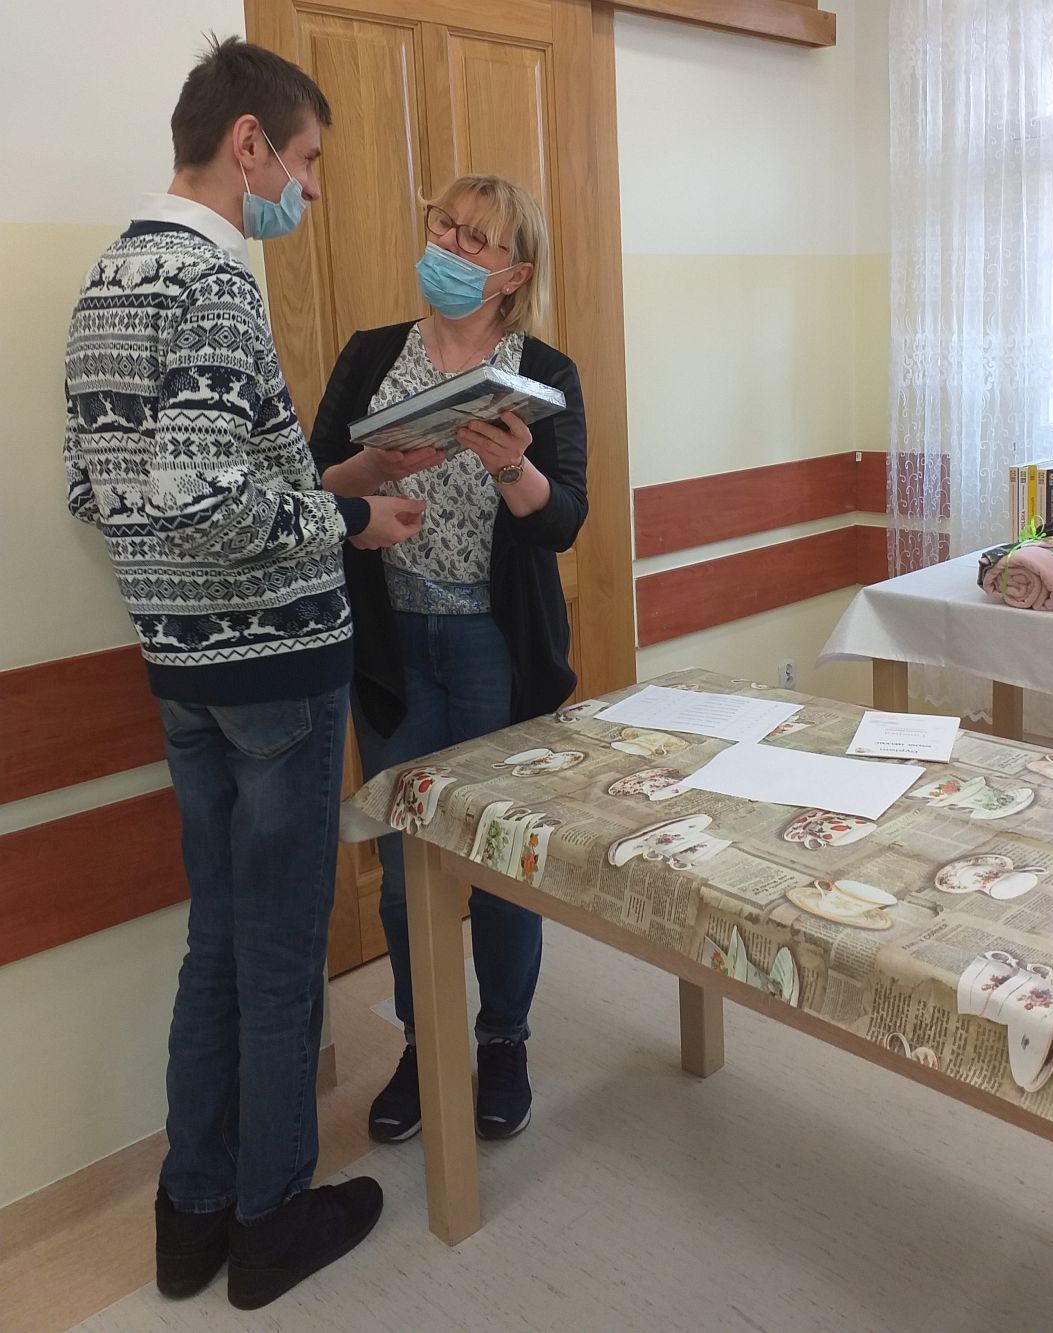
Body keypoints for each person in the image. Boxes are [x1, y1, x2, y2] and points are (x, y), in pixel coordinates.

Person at [62, 37, 425, 1310]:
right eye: (308, 160)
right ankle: (270, 1221)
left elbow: (107, 491)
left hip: (182, 670)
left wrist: (323, 480)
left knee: (215, 944)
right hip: (275, 669)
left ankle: (190, 1215)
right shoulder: (215, 280)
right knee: (277, 959)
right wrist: (352, 521)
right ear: (250, 144)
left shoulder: (113, 275)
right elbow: (212, 503)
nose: (310, 190)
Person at [310, 174, 587, 1145]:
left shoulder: (542, 372)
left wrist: (511, 464)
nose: (451, 247)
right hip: (393, 645)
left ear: (514, 274)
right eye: (445, 225)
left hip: (492, 648)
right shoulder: (371, 354)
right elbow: (316, 482)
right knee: (403, 865)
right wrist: (372, 471)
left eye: (477, 240)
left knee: (499, 858)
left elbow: (563, 519)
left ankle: (502, 1040)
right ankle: (425, 1044)